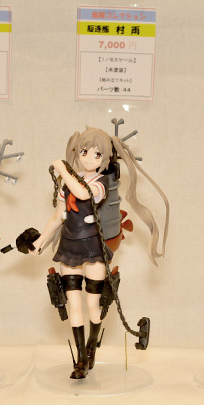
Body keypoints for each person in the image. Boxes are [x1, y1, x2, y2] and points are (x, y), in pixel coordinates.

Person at [32, 126, 169, 379]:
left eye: (97, 155)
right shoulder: (67, 184)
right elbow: (58, 216)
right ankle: (81, 359)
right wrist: (40, 240)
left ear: (104, 159)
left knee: (92, 305)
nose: (89, 159)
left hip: (93, 249)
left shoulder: (100, 183)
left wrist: (62, 169)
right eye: (84, 152)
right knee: (74, 304)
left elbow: (83, 194)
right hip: (69, 248)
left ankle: (91, 347)